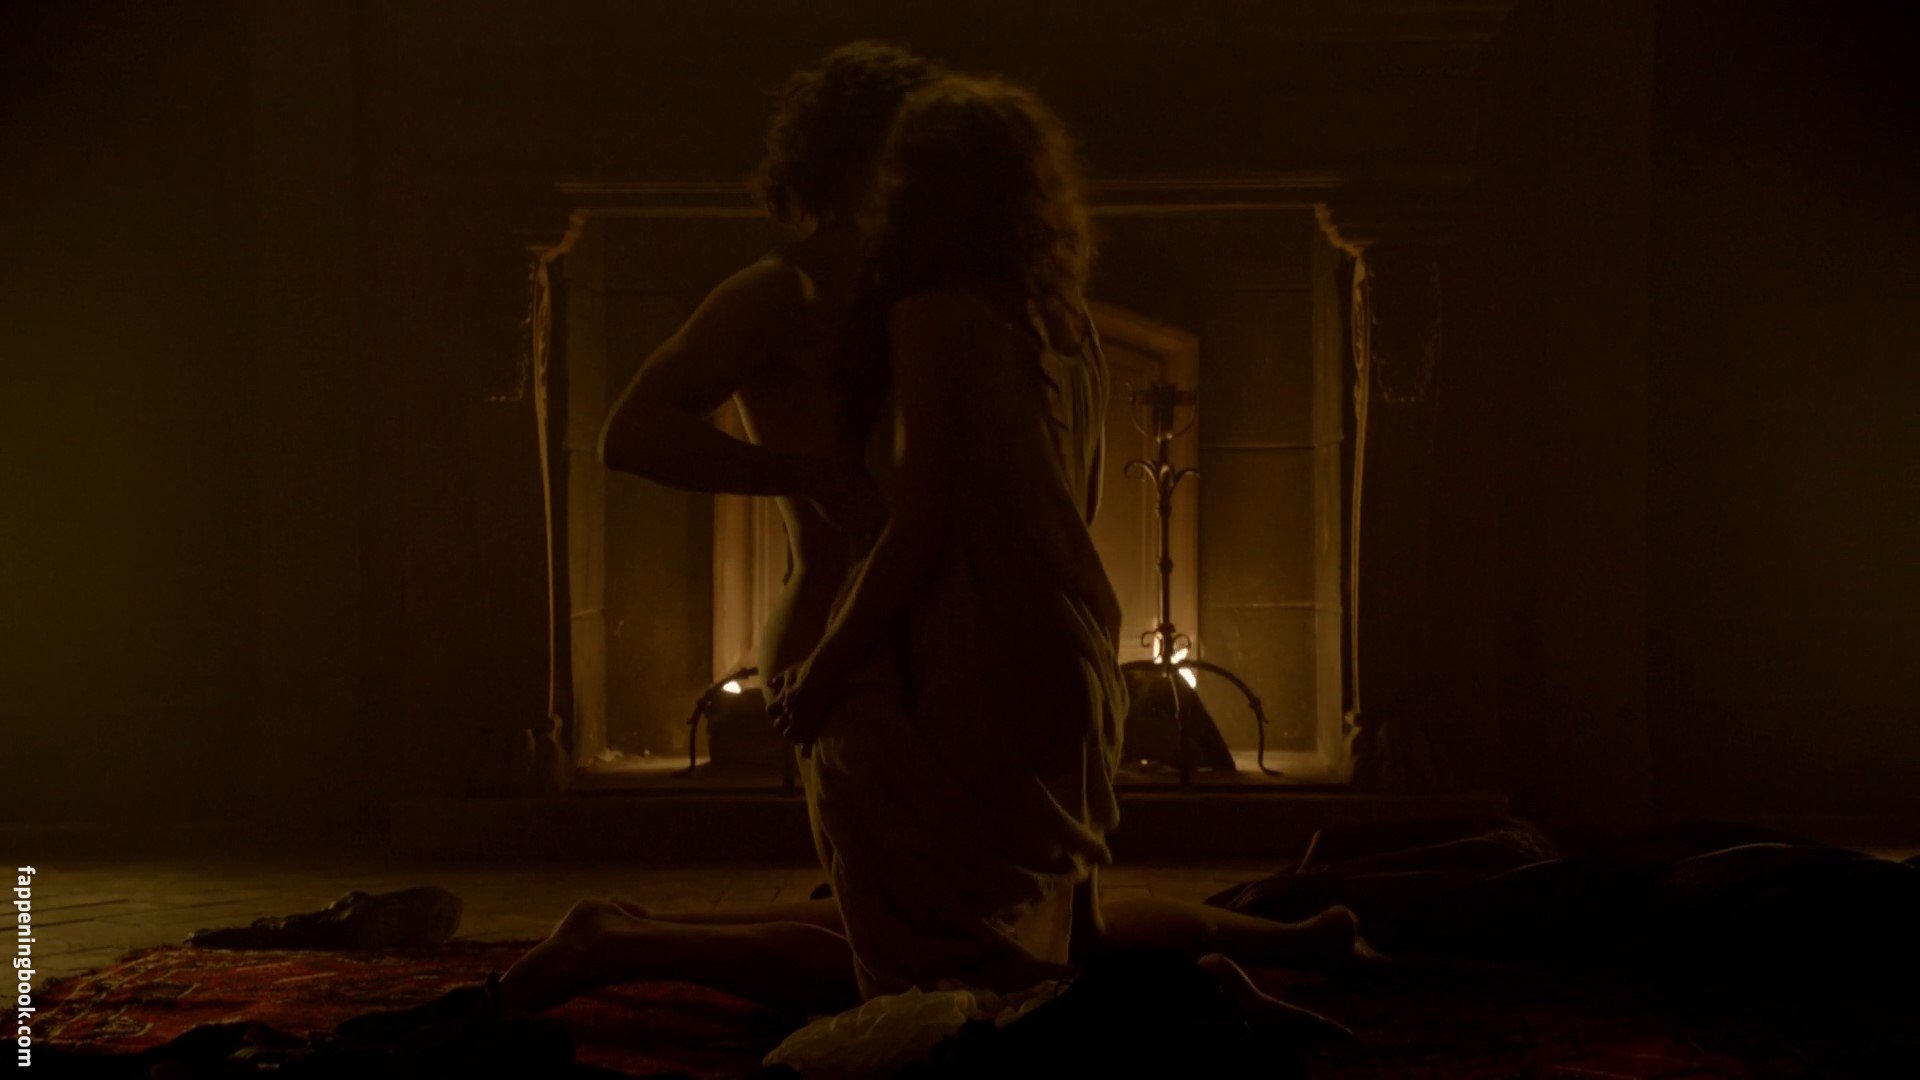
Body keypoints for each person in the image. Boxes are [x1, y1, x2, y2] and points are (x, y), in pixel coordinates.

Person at [496, 66, 1367, 1027]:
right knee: (992, 941)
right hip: (903, 639)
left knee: (979, 951)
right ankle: (1273, 955)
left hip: (946, 650)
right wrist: (813, 475)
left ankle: (622, 942)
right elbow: (634, 434)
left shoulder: (954, 305)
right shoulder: (813, 293)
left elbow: (995, 504)